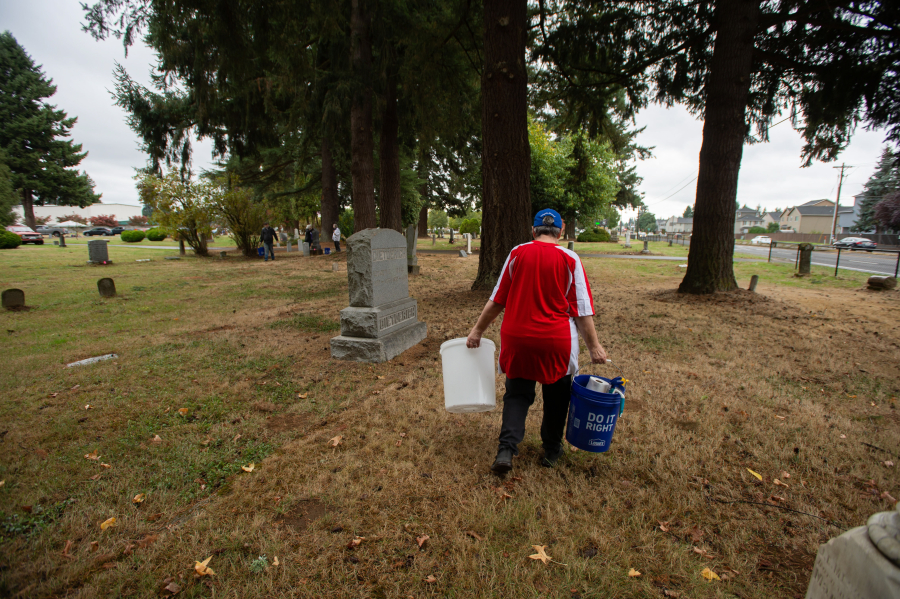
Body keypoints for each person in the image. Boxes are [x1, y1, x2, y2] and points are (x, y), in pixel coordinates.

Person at [466, 208, 608, 473]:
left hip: (518, 338)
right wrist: (595, 348)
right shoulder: (570, 258)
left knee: (517, 394)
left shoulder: (518, 253)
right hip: (556, 341)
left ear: (533, 231)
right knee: (557, 395)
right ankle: (552, 450)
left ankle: (506, 450)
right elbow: (582, 310)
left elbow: (497, 299)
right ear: (561, 232)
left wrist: (477, 331)